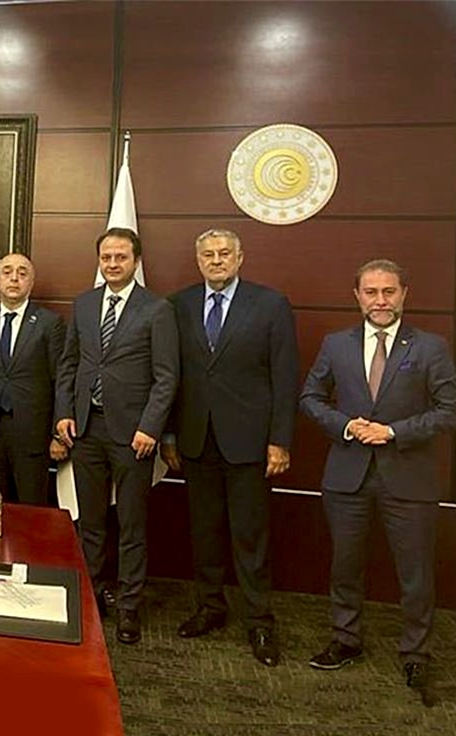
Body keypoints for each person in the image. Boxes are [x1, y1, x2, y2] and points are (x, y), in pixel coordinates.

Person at [300, 259, 456, 690]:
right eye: (371, 292)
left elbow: (453, 410)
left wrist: (393, 432)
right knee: (345, 565)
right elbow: (310, 397)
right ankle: (345, 639)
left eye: (388, 292)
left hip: (409, 478)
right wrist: (345, 425)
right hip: (347, 476)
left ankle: (416, 654)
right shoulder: (336, 344)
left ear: (404, 293)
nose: (380, 301)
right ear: (357, 296)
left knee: (415, 573)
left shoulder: (430, 347)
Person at [160, 228, 299, 668]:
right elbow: (170, 375)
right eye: (208, 255)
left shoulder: (270, 304)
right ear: (198, 260)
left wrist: (280, 440)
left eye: (224, 253)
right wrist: (168, 434)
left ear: (240, 258)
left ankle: (259, 620)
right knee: (205, 532)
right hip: (196, 439)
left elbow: (285, 377)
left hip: (250, 443)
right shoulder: (178, 304)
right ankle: (210, 607)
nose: (216, 260)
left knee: (250, 535)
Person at [55, 227, 178, 645]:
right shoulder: (85, 304)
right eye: (106, 257)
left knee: (130, 525)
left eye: (120, 257)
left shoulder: (157, 309)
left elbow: (167, 377)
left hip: (133, 435)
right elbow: (69, 365)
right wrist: (64, 413)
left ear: (136, 261)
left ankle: (128, 606)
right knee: (90, 523)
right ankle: (91, 598)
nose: (112, 263)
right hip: (86, 430)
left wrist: (151, 427)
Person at [0, 254, 66, 505]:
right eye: (7, 272)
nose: (14, 278)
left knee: (31, 509)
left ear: (31, 282)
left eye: (22, 273)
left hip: (32, 434)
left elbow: (61, 381)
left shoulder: (50, 323)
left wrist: (58, 434)